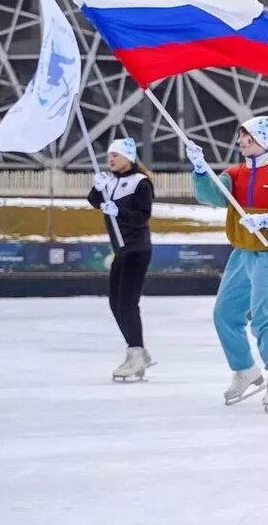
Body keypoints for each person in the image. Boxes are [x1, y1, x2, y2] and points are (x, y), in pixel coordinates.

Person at [184, 117, 268, 413]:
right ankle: (245, 370)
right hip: (242, 254)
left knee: (263, 317)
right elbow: (211, 196)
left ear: (263, 140)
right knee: (225, 313)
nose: (241, 143)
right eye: (240, 138)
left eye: (247, 138)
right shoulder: (234, 174)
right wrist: (201, 170)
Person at [86, 137, 155, 382]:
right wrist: (97, 188)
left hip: (136, 250)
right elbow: (94, 202)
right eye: (109, 155)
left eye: (115, 155)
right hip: (121, 251)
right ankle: (136, 350)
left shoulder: (141, 183)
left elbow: (142, 217)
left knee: (127, 303)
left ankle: (136, 351)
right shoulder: (111, 182)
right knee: (115, 303)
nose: (110, 159)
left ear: (128, 157)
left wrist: (119, 210)